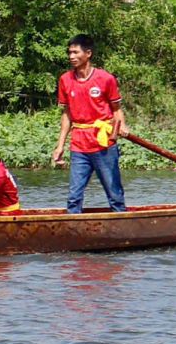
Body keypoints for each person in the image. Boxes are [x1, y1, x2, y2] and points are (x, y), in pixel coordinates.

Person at [52, 33, 127, 212]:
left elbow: (116, 109)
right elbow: (67, 115)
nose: (72, 57)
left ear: (88, 53)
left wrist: (122, 125)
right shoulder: (65, 80)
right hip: (79, 144)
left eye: (76, 52)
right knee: (74, 195)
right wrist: (60, 145)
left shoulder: (105, 78)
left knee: (114, 191)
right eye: (70, 53)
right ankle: (73, 227)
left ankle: (121, 223)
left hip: (103, 143)